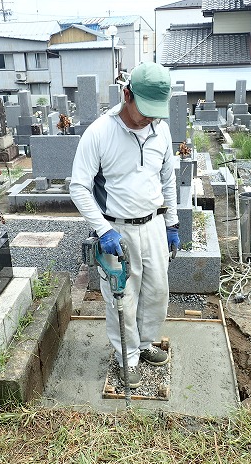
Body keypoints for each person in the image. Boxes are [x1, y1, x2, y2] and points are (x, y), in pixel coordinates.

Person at [70, 62, 180, 388]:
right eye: (143, 110)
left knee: (156, 292)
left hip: (154, 225)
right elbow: (78, 186)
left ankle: (145, 345)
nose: (148, 118)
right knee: (122, 298)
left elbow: (168, 179)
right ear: (126, 93)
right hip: (118, 232)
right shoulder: (100, 132)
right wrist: (103, 230)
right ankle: (126, 357)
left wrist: (172, 224)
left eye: (155, 112)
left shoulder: (161, 130)